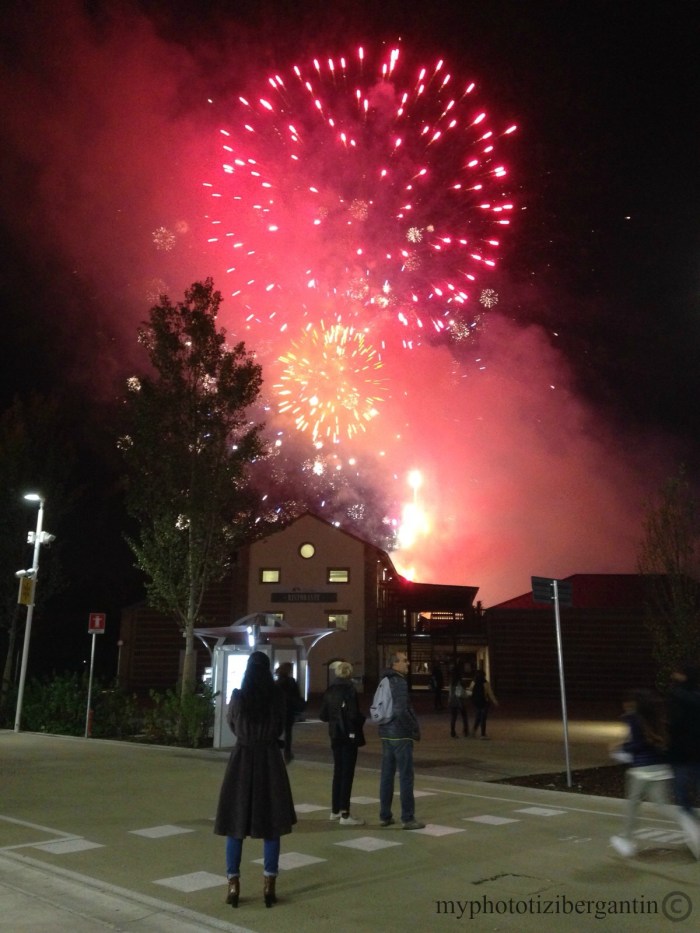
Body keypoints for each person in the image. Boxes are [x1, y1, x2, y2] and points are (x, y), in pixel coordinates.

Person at [214, 651, 297, 908]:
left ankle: (233, 884)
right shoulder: (277, 697)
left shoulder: (239, 696)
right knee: (271, 824)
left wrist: (247, 735)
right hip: (269, 760)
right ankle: (269, 884)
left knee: (235, 822)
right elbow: (281, 726)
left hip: (242, 759)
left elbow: (231, 723)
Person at [609, 688, 697, 858]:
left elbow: (637, 744)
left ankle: (627, 841)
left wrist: (619, 747)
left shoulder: (634, 719)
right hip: (661, 768)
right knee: (662, 805)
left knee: (632, 804)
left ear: (634, 703)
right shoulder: (657, 718)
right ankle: (688, 822)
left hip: (642, 769)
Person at [377, 650, 425, 830]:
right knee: (406, 776)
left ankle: (385, 815)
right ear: (394, 664)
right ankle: (408, 818)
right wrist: (413, 728)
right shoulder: (399, 682)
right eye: (404, 660)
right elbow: (401, 710)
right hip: (400, 734)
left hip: (386, 732)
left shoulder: (384, 680)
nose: (408, 663)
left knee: (387, 775)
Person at [319, 660, 366, 826]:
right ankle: (345, 813)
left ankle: (335, 810)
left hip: (334, 735)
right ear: (349, 673)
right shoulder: (349, 690)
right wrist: (361, 719)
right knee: (347, 773)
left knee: (338, 771)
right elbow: (353, 715)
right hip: (348, 735)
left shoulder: (330, 690)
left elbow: (323, 715)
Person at [667, 664, 700, 857]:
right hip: (696, 753)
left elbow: (674, 726)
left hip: (681, 755)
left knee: (683, 798)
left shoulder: (676, 697)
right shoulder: (696, 696)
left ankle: (695, 839)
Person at [275, 661, 305, 763]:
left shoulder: (276, 682)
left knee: (276, 731)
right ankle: (287, 753)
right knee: (288, 732)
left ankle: (276, 750)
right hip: (289, 710)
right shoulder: (291, 681)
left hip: (278, 710)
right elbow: (297, 695)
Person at [469, 668, 498, 738]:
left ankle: (473, 732)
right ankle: (483, 734)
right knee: (483, 718)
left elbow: (470, 691)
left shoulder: (473, 682)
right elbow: (490, 693)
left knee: (478, 716)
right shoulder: (486, 683)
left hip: (476, 702)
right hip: (484, 702)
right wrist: (495, 701)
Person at [447, 666, 469, 738]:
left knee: (453, 717)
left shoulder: (451, 682)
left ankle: (453, 732)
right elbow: (462, 691)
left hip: (453, 700)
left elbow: (450, 693)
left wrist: (449, 700)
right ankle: (466, 731)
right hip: (460, 701)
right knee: (464, 716)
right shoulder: (460, 682)